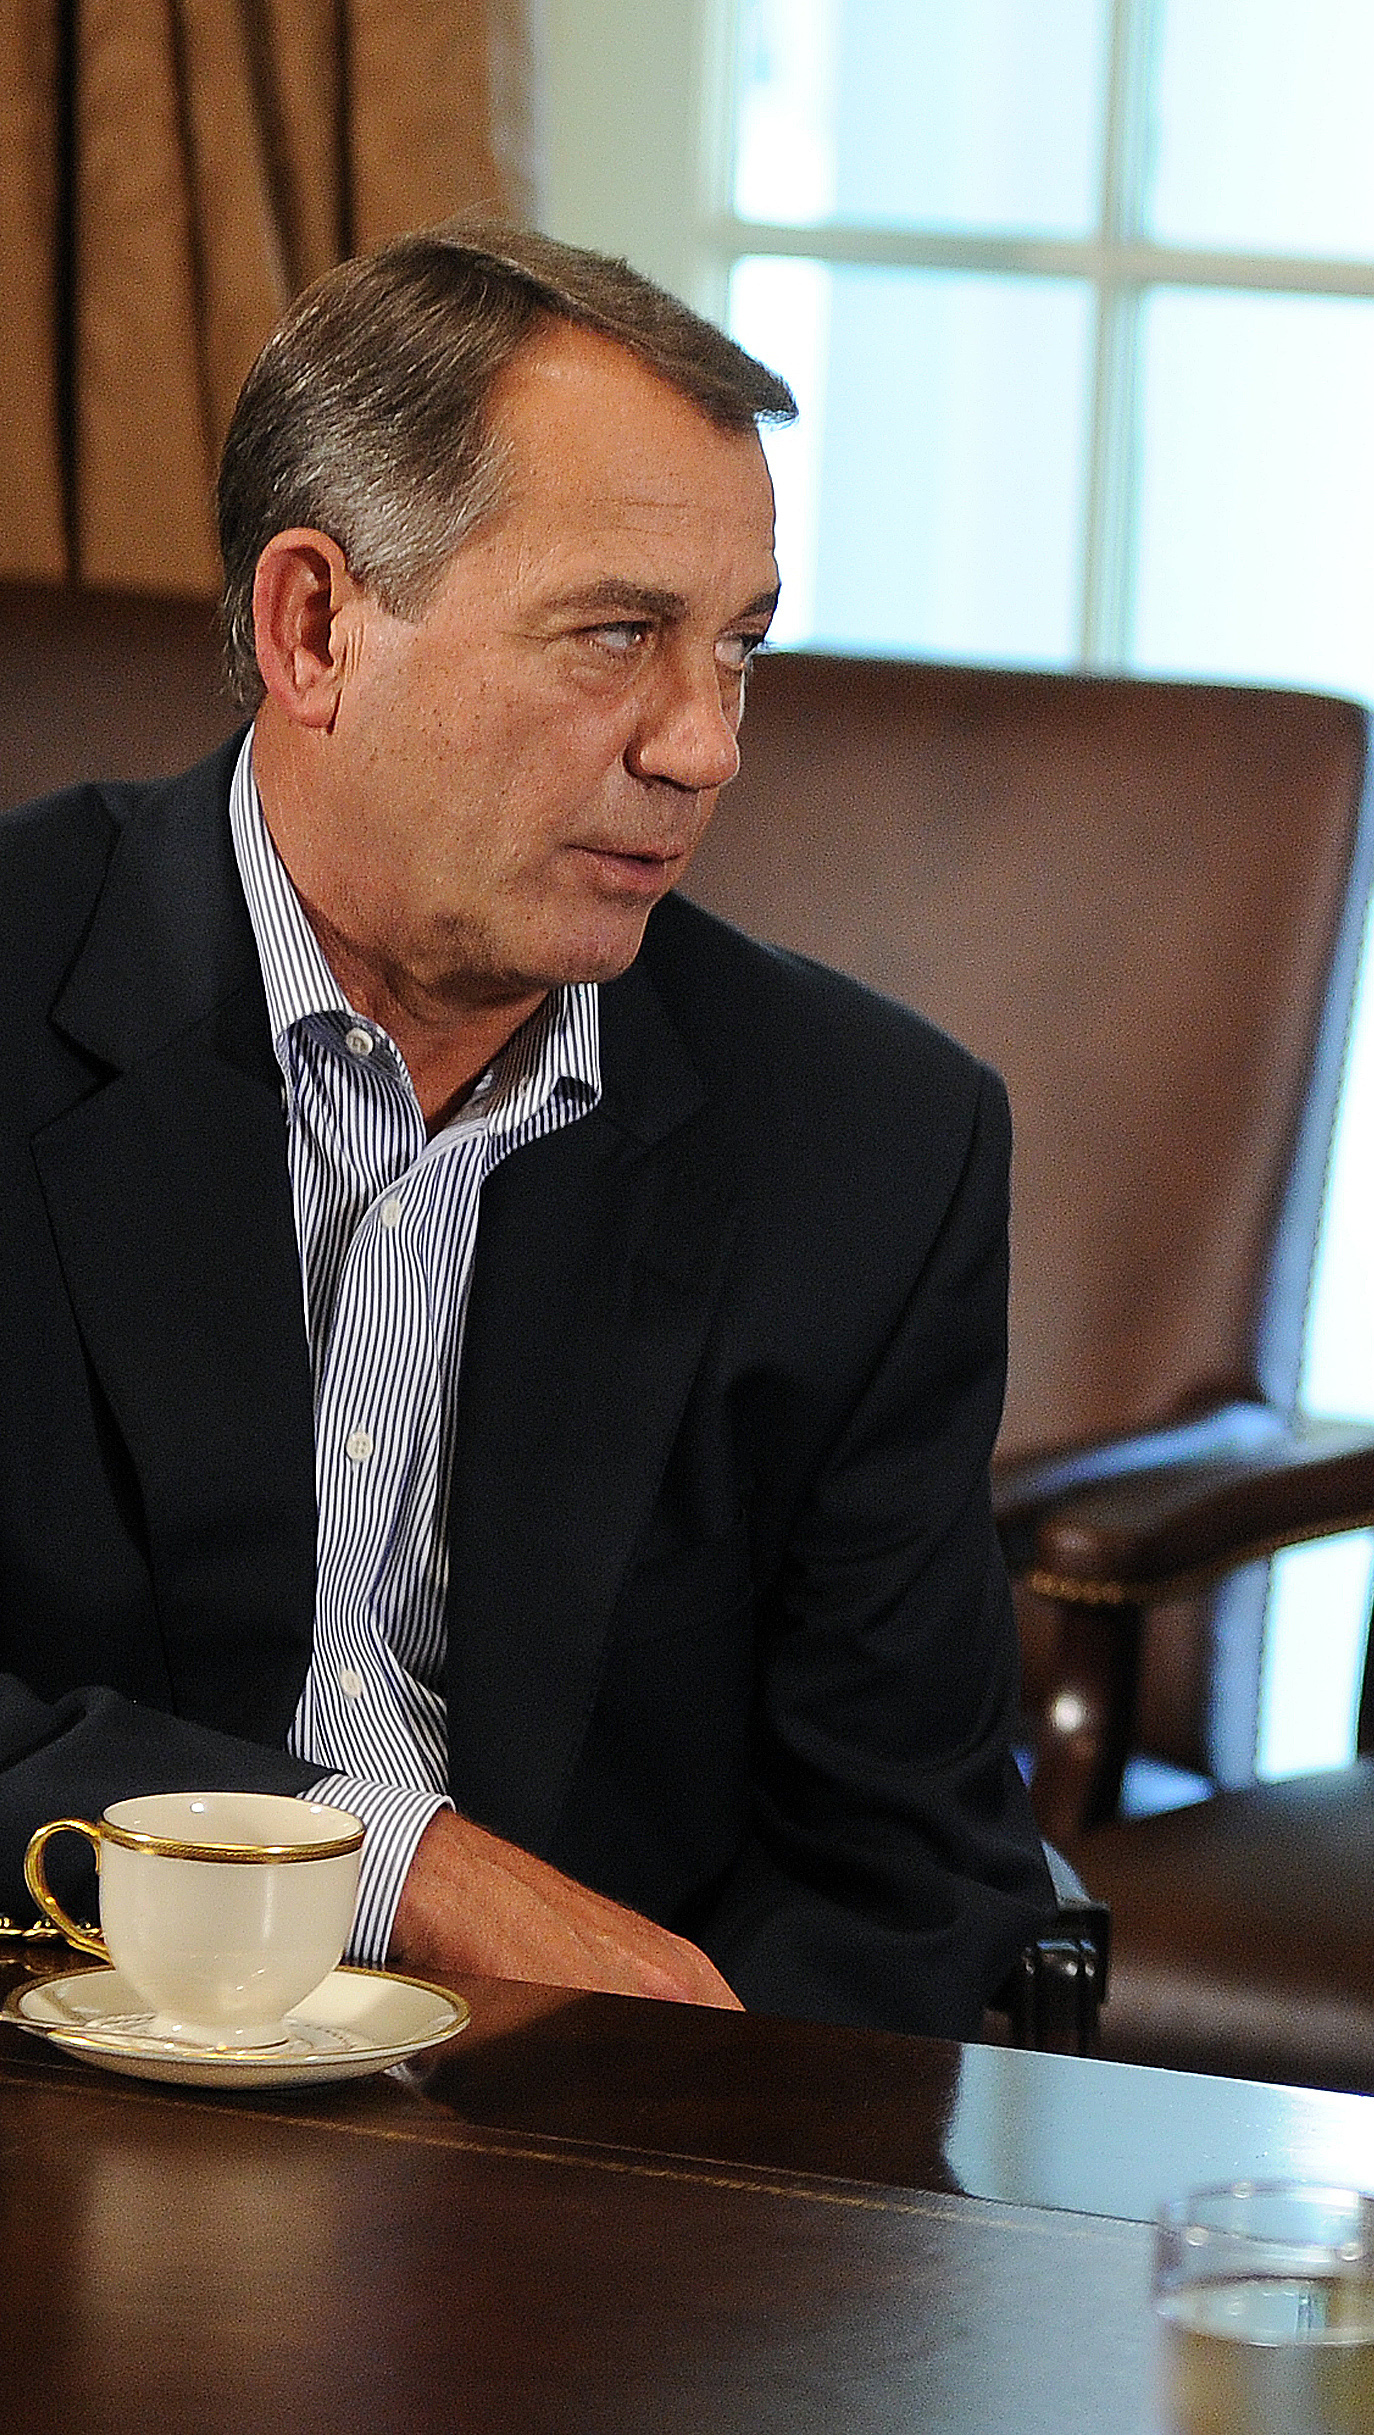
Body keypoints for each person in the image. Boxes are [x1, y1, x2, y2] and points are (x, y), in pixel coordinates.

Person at [0, 220, 1053, 2037]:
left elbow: (908, 1881)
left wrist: (682, 2174)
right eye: (618, 639)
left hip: (582, 2167)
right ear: (314, 627)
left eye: (738, 651)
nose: (705, 745)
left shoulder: (876, 1149)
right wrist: (388, 1860)